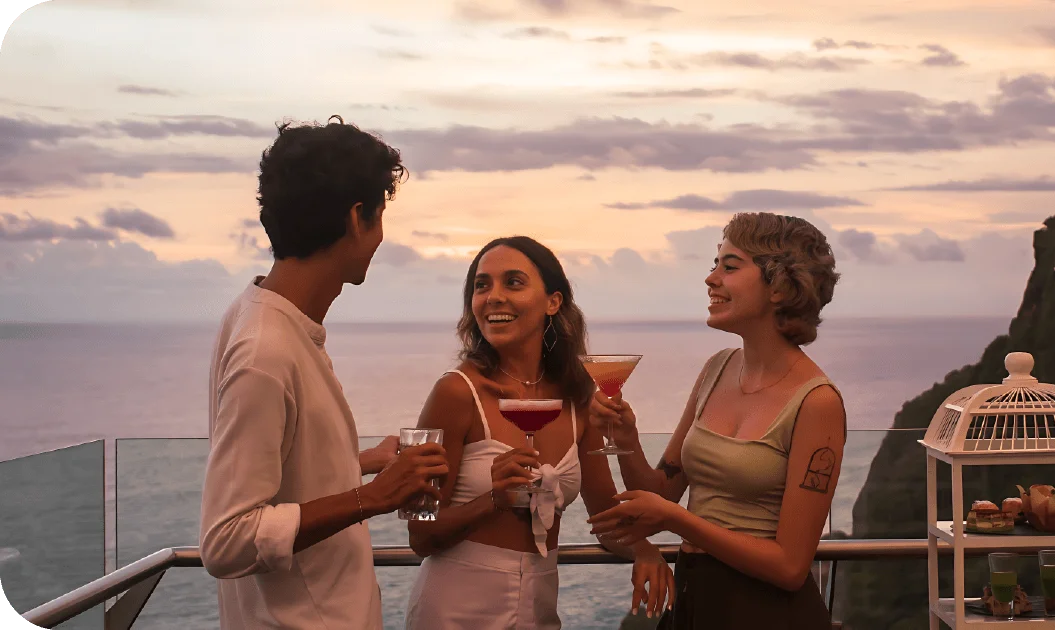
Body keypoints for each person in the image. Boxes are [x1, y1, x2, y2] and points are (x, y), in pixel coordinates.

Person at [199, 116, 449, 630]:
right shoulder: (265, 351)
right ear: (358, 218)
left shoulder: (268, 320)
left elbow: (280, 474)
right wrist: (375, 498)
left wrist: (358, 463)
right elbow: (226, 541)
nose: (380, 238)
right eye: (380, 217)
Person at [587, 212, 846, 629]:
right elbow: (661, 491)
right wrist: (626, 437)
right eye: (715, 264)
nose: (711, 279)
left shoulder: (817, 402)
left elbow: (790, 567)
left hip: (767, 614)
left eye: (729, 266)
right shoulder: (717, 369)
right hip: (698, 600)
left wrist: (677, 522)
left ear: (779, 286)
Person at [405, 236, 674, 629]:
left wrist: (643, 550)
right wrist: (492, 500)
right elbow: (418, 534)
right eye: (482, 285)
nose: (493, 296)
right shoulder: (454, 392)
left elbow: (605, 516)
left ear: (553, 302)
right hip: (455, 609)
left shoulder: (577, 395)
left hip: (539, 606)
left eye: (513, 282)